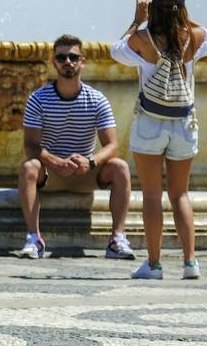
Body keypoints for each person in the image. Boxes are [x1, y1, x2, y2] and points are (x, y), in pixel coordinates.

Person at [112, 0, 207, 280]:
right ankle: (190, 263)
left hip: (150, 121)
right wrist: (185, 16)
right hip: (184, 125)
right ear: (182, 7)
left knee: (151, 195)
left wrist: (137, 20)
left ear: (152, 5)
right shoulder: (195, 37)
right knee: (180, 194)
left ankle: (154, 264)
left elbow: (116, 51)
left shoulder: (144, 38)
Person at [17, 34, 133, 260]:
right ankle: (34, 238)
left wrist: (90, 162)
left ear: (83, 61)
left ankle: (117, 239)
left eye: (73, 57)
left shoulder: (97, 99)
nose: (67, 62)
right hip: (52, 173)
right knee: (29, 167)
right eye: (61, 57)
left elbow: (112, 146)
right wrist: (55, 162)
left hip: (86, 172)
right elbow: (30, 145)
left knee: (120, 167)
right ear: (54, 63)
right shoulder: (38, 99)